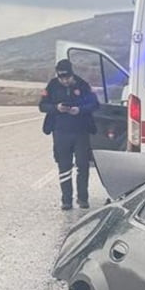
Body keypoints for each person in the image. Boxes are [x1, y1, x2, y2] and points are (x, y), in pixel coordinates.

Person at [39, 58, 99, 209]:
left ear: (72, 74)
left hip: (80, 131)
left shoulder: (82, 85)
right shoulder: (52, 86)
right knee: (64, 165)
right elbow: (42, 106)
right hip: (60, 132)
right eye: (61, 78)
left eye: (67, 77)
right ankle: (66, 200)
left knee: (82, 165)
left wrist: (80, 110)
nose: (64, 81)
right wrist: (56, 108)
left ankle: (83, 198)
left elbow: (94, 104)